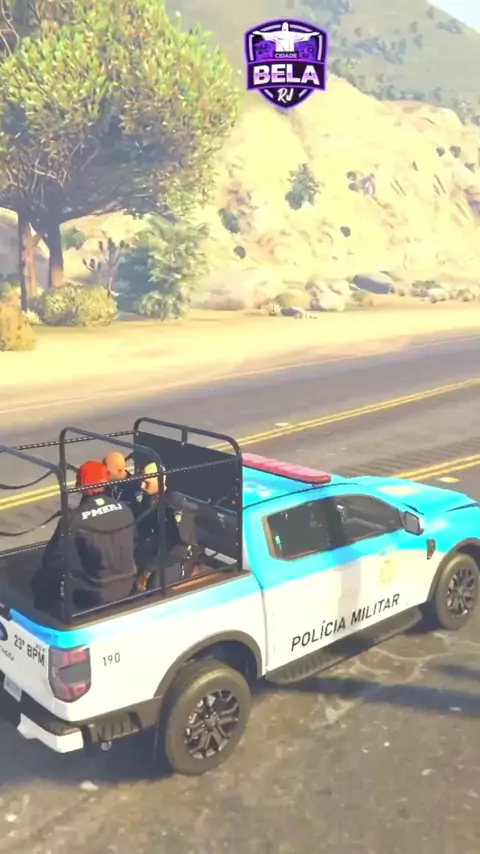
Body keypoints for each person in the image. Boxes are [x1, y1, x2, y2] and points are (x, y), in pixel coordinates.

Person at [34, 460, 137, 612]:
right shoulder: (125, 509)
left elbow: (52, 559)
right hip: (127, 584)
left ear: (80, 486)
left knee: (41, 580)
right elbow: (134, 541)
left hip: (94, 592)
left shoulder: (74, 520)